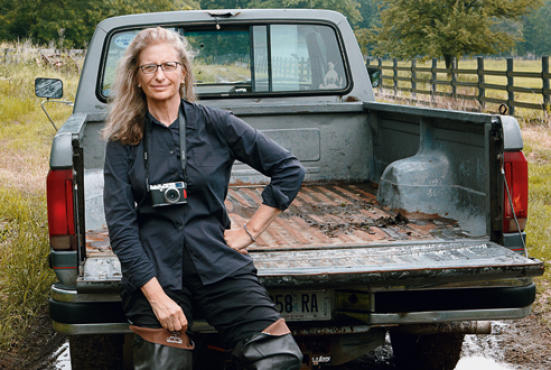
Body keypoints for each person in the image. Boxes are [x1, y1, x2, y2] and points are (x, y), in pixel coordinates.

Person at [102, 27, 305, 369]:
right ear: (136, 78)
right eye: (149, 67)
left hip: (217, 263)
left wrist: (251, 231)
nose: (160, 75)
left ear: (183, 72)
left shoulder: (216, 124)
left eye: (168, 65)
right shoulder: (123, 139)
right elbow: (121, 227)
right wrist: (158, 299)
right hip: (155, 271)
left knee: (279, 360)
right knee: (162, 366)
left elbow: (288, 168)